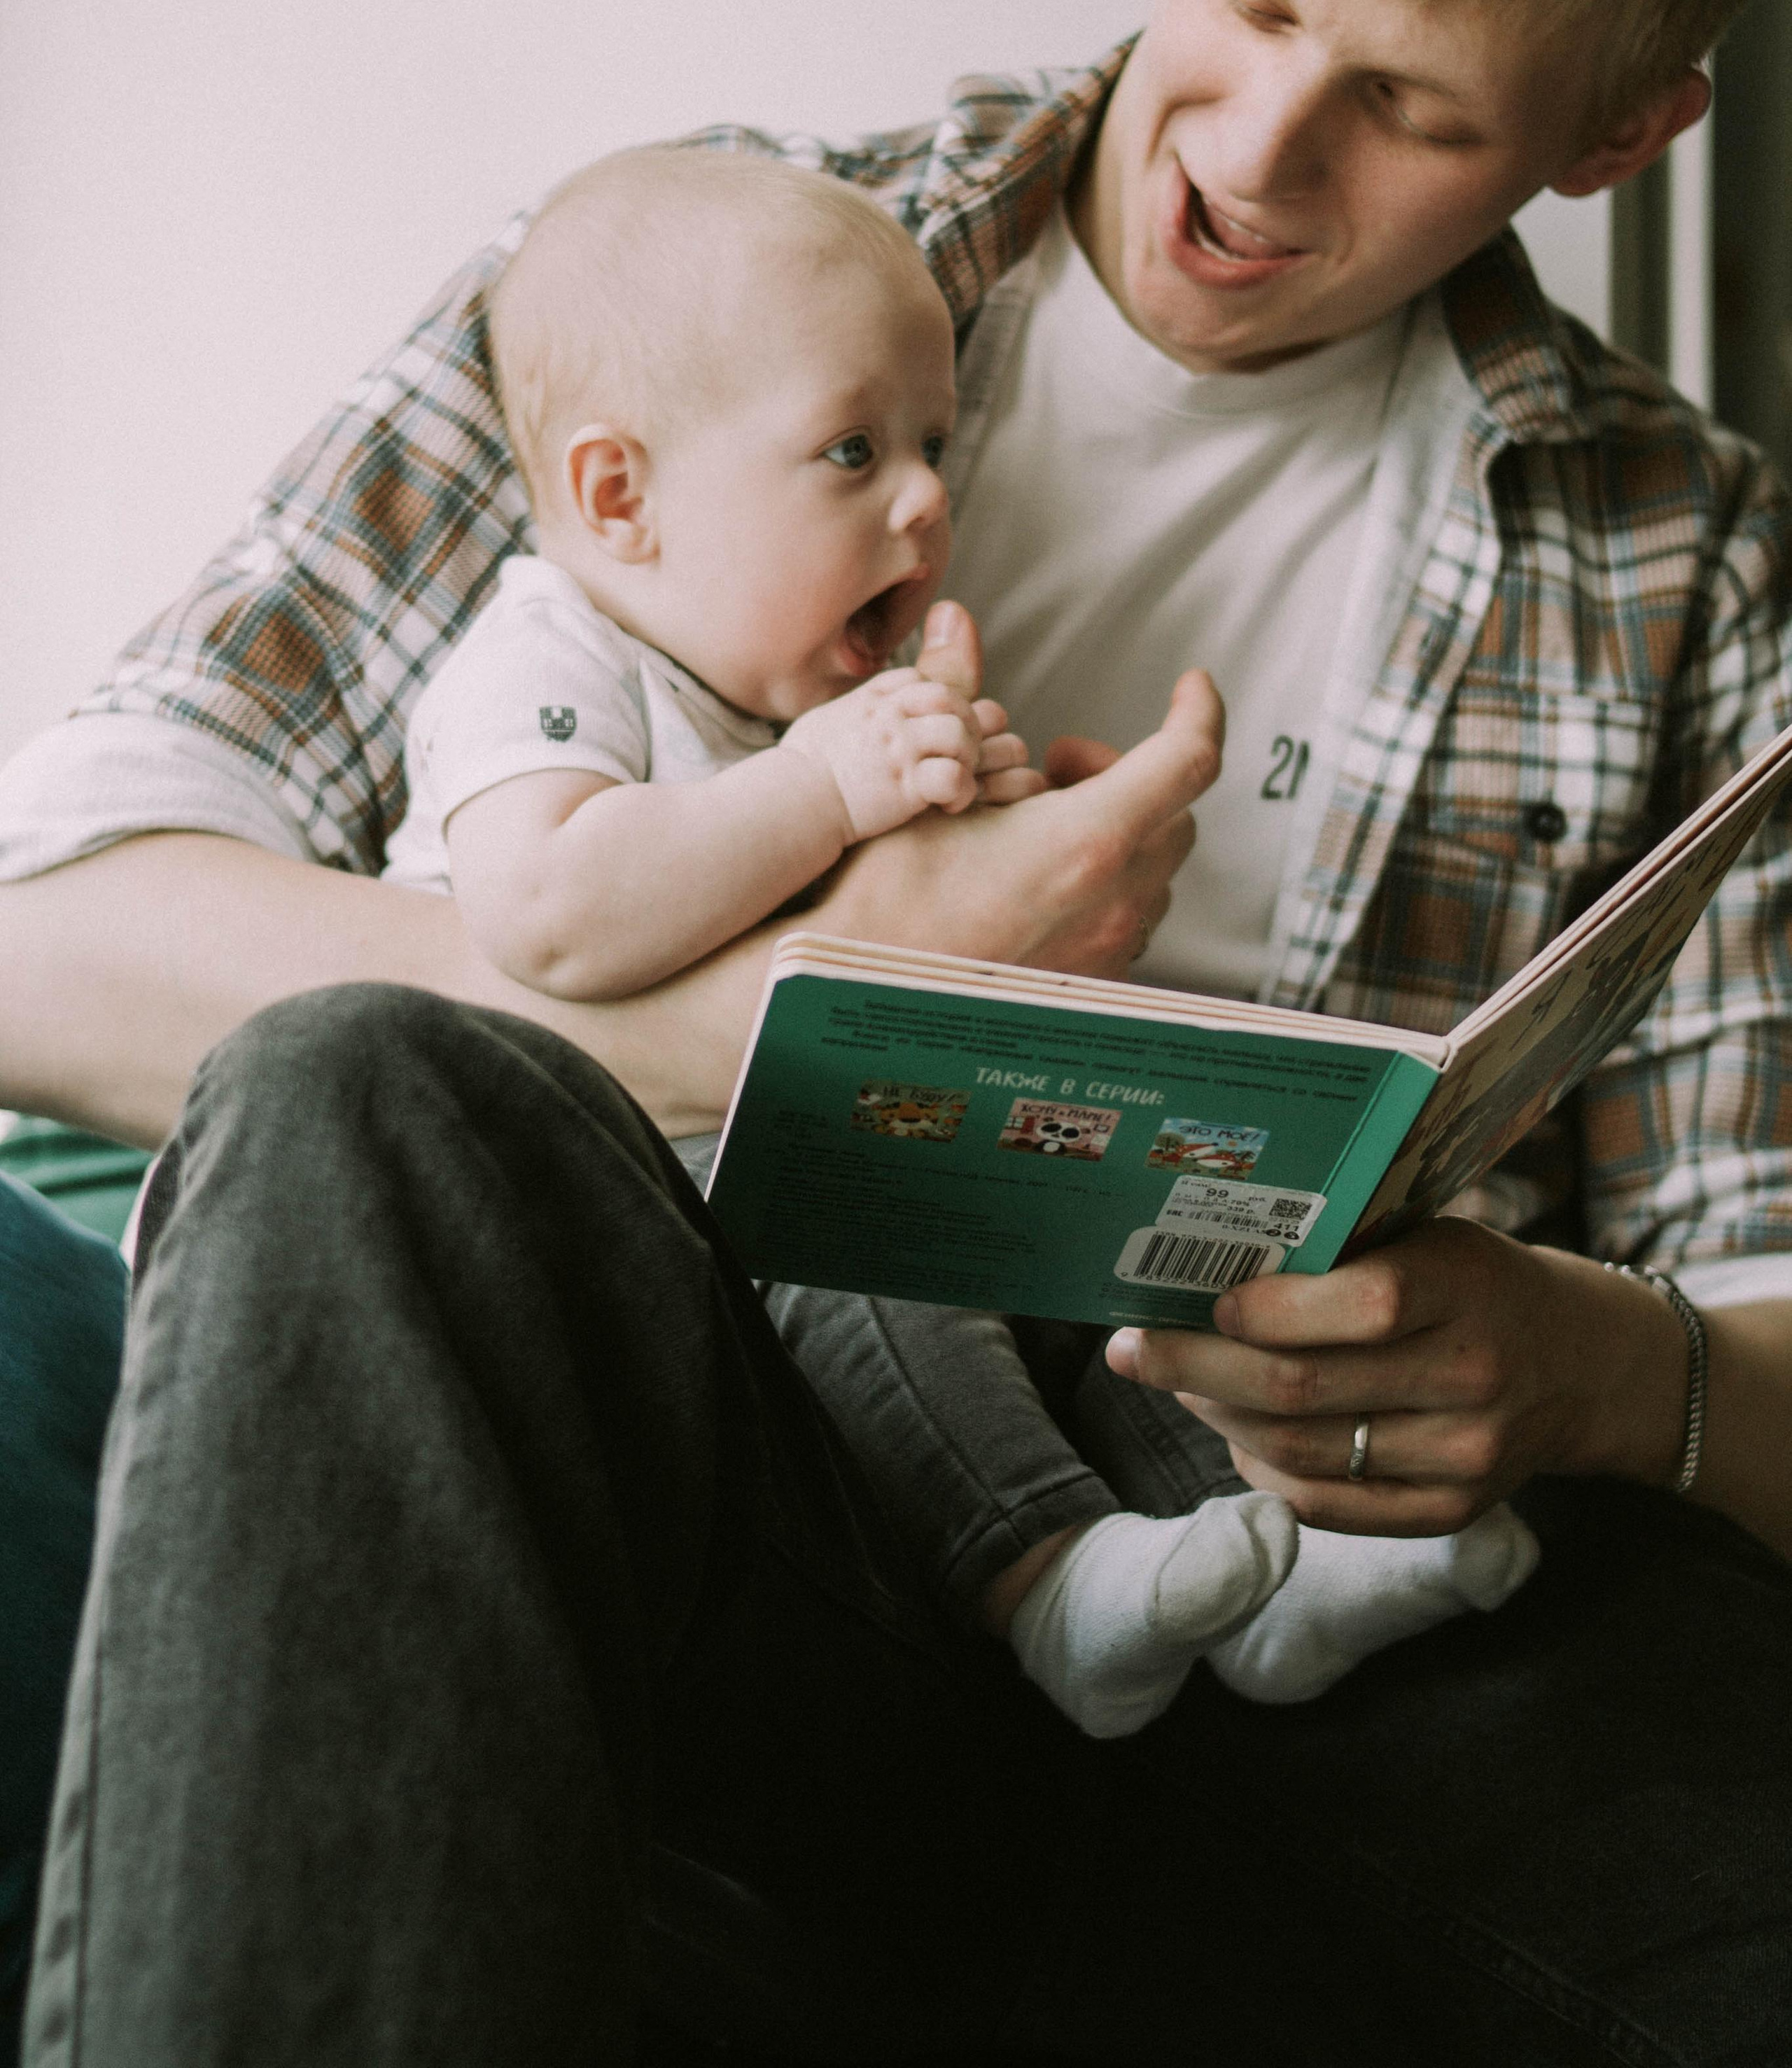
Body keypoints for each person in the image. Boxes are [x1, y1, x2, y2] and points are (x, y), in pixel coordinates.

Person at [7, 0, 1792, 2062]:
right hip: (743, 1541)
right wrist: (822, 999)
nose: (1262, 155)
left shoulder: (1680, 562)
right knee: (357, 1098)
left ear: (1622, 137)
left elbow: (1768, 1315)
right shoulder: (698, 278)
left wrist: (1589, 1371)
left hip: (1313, 1627)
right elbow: (52, 932)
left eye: (1409, 108)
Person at [391, 140, 1539, 1741]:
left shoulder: (801, 700)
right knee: (873, 1249)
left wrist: (970, 833)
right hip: (614, 1285)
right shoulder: (543, 660)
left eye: (931, 442)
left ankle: (1283, 1562)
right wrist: (820, 789)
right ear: (618, 496)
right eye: (852, 450)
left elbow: (877, 947)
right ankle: (1045, 1580)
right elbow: (554, 912)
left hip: (787, 1190)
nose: (929, 498)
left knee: (1101, 1252)